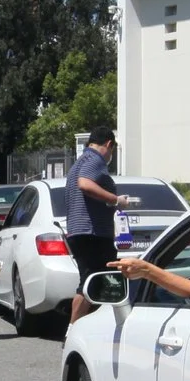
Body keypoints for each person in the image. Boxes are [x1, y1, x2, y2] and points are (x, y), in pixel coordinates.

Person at [65, 129, 128, 325]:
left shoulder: (80, 162)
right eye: (112, 150)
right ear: (108, 144)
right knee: (94, 281)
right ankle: (73, 329)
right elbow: (85, 184)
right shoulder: (95, 160)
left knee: (94, 281)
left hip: (81, 231)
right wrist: (115, 199)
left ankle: (89, 326)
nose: (110, 156)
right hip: (92, 233)